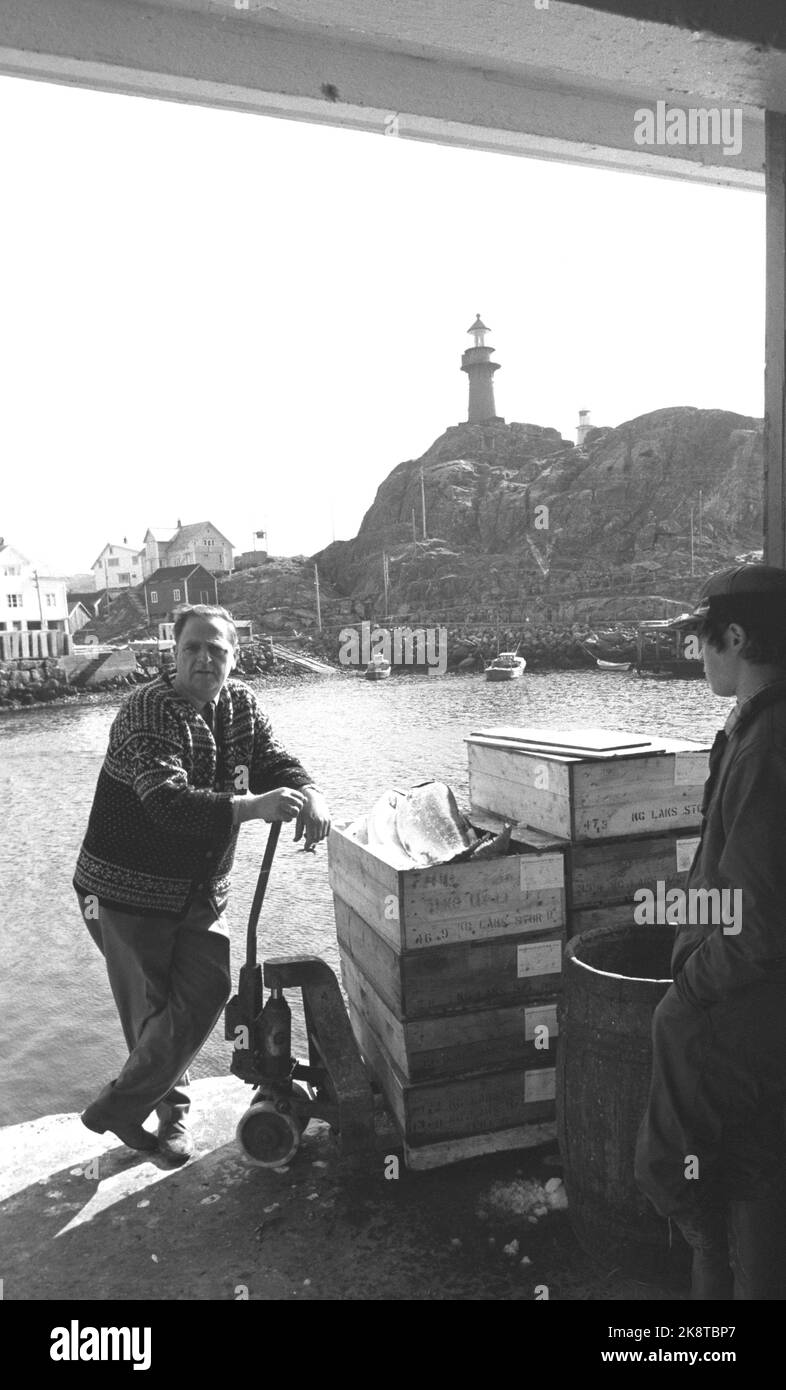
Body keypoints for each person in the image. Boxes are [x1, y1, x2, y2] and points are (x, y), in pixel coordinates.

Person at [74, 604, 331, 1163]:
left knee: (209, 988)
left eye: (217, 649)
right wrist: (254, 806)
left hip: (197, 890)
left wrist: (310, 791)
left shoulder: (240, 704)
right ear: (174, 654)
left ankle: (116, 1108)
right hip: (123, 892)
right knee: (152, 1009)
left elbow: (272, 758)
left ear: (234, 657)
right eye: (192, 648)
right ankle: (174, 1118)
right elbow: (165, 800)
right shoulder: (149, 710)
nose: (204, 659)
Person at [634, 564, 786, 1300]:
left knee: (702, 1182)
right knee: (747, 1183)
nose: (695, 654)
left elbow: (758, 925)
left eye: (702, 639)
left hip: (743, 1018)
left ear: (736, 636)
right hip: (752, 1013)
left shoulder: (765, 748)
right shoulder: (756, 729)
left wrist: (686, 993)